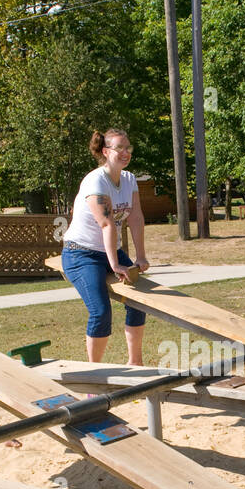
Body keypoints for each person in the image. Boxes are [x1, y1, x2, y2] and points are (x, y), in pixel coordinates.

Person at [60, 128, 149, 365]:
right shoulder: (96, 180)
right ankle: (95, 373)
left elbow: (136, 217)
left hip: (108, 252)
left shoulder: (129, 180)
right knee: (100, 312)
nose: (125, 152)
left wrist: (140, 257)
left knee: (139, 302)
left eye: (128, 147)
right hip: (80, 253)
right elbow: (107, 223)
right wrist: (116, 265)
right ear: (106, 151)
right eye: (119, 147)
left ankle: (135, 363)